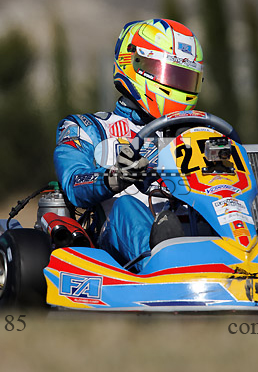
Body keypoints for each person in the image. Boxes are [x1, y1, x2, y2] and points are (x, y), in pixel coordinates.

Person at [54, 19, 204, 270]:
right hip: (117, 244)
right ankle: (166, 266)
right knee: (126, 206)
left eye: (186, 79)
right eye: (171, 75)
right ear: (134, 63)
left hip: (190, 229)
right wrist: (115, 177)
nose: (178, 86)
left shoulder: (198, 134)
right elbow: (73, 183)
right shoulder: (88, 128)